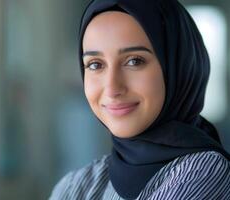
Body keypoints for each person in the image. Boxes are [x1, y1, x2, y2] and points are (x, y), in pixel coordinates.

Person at [49, 0, 230, 199]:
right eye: (95, 64)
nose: (112, 89)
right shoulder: (77, 183)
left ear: (178, 68)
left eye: (134, 61)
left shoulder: (204, 171)